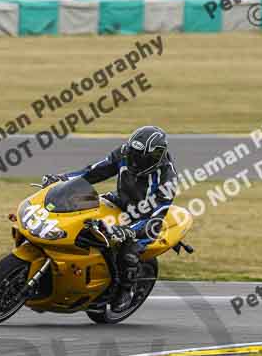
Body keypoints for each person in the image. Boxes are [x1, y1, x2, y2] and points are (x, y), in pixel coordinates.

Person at [42, 125, 177, 312]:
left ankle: (125, 289)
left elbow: (156, 216)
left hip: (145, 220)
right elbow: (94, 172)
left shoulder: (167, 179)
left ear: (155, 157)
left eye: (140, 157)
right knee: (79, 214)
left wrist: (131, 230)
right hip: (120, 200)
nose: (134, 160)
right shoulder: (124, 154)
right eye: (133, 154)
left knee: (128, 251)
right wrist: (62, 179)